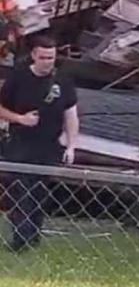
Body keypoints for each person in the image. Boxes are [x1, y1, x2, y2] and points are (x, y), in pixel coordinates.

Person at [0, 34, 78, 251]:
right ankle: (20, 239)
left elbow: (71, 115)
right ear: (34, 56)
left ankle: (33, 237)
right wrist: (19, 119)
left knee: (39, 193)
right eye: (43, 57)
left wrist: (71, 145)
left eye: (51, 58)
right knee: (20, 191)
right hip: (20, 142)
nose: (47, 62)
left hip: (49, 145)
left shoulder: (62, 81)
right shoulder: (18, 78)